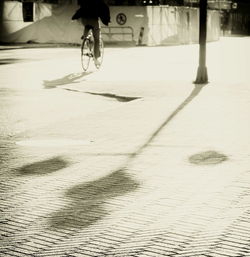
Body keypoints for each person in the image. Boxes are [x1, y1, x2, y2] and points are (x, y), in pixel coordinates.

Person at [72, 0, 110, 66]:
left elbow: (81, 9)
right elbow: (105, 8)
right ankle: (95, 59)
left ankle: (85, 37)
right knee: (97, 39)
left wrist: (74, 17)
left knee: (87, 26)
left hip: (84, 20)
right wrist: (107, 20)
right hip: (93, 20)